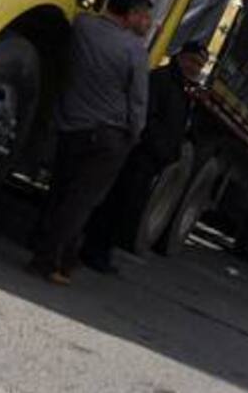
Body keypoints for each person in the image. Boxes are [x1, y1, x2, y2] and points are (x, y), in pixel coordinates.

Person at [29, 0, 153, 286]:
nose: (147, 22)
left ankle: (62, 256)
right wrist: (134, 135)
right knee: (81, 202)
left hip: (71, 127)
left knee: (61, 191)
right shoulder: (134, 50)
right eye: (144, 15)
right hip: (109, 137)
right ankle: (48, 260)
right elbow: (138, 102)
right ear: (131, 14)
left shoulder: (81, 26)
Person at [80, 40, 208, 274]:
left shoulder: (183, 89)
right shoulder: (161, 80)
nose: (194, 68)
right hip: (139, 155)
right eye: (192, 61)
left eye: (199, 65)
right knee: (115, 203)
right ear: (181, 57)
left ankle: (102, 251)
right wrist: (158, 147)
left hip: (152, 160)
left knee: (126, 208)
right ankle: (93, 250)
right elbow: (147, 116)